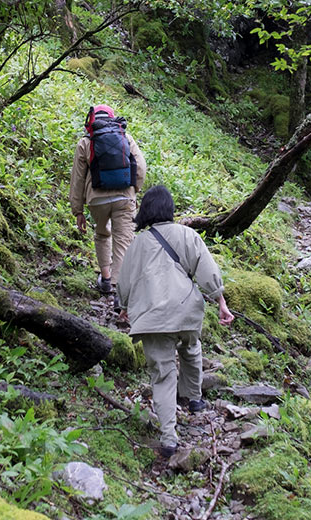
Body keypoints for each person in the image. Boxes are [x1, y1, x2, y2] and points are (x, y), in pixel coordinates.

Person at [116, 185, 234, 458]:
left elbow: (124, 280)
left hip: (152, 318)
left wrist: (123, 307)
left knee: (163, 375)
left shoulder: (137, 244)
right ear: (170, 209)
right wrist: (220, 302)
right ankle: (194, 399)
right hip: (186, 312)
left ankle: (169, 438)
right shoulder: (187, 235)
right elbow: (207, 271)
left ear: (145, 211)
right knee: (191, 349)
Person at [69, 104, 146, 303]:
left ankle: (105, 279)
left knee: (102, 234)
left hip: (97, 199)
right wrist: (134, 189)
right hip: (124, 198)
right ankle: (120, 291)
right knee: (123, 241)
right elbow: (141, 167)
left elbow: (77, 179)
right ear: (112, 118)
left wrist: (78, 210)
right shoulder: (126, 137)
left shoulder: (85, 142)